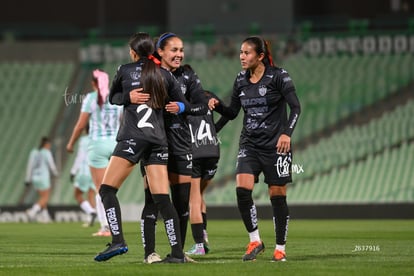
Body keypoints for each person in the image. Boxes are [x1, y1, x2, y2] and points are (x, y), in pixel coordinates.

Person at [94, 32, 207, 263]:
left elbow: (112, 98)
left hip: (134, 138)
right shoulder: (165, 75)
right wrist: (178, 107)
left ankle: (118, 241)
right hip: (159, 140)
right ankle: (176, 254)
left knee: (107, 190)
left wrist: (129, 96)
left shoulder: (124, 70)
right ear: (153, 52)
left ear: (133, 52)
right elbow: (184, 104)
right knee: (162, 200)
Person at [212, 36, 301, 262]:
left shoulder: (279, 77)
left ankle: (280, 247)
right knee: (242, 189)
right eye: (241, 52)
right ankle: (255, 240)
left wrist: (286, 134)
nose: (242, 57)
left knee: (277, 196)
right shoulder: (240, 80)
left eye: (247, 53)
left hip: (276, 146)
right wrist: (217, 110)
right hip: (249, 144)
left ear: (260, 56)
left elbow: (296, 107)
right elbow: (232, 112)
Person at [139, 33, 218, 262]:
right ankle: (150, 253)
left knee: (182, 204)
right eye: (173, 50)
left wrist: (183, 107)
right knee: (152, 201)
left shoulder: (188, 75)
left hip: (182, 144)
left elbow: (202, 107)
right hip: (155, 144)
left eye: (181, 50)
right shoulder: (148, 74)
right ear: (160, 51)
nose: (179, 54)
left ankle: (178, 253)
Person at [66, 69, 123, 237]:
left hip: (97, 146)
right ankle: (114, 226)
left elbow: (80, 125)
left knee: (101, 190)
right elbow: (124, 121)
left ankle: (106, 227)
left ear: (93, 84)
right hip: (116, 145)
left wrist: (70, 144)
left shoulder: (90, 98)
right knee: (112, 190)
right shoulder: (117, 98)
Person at [186, 90, 221, 256]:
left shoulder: (185, 104)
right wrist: (214, 130)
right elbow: (228, 114)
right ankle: (204, 234)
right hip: (213, 151)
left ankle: (199, 244)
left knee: (193, 199)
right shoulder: (207, 99)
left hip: (196, 152)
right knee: (199, 195)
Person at [25, 136, 59, 223]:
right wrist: (55, 173)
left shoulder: (34, 152)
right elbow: (51, 165)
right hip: (44, 178)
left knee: (42, 197)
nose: (49, 146)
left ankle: (45, 216)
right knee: (45, 197)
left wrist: (28, 179)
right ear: (46, 144)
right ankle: (32, 211)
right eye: (49, 144)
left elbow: (30, 166)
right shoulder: (46, 152)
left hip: (35, 178)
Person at [69, 127, 97, 227]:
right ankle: (90, 219)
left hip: (84, 171)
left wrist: (73, 171)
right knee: (91, 195)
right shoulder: (96, 138)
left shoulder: (84, 140)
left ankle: (91, 212)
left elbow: (80, 156)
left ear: (85, 130)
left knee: (77, 194)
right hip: (94, 170)